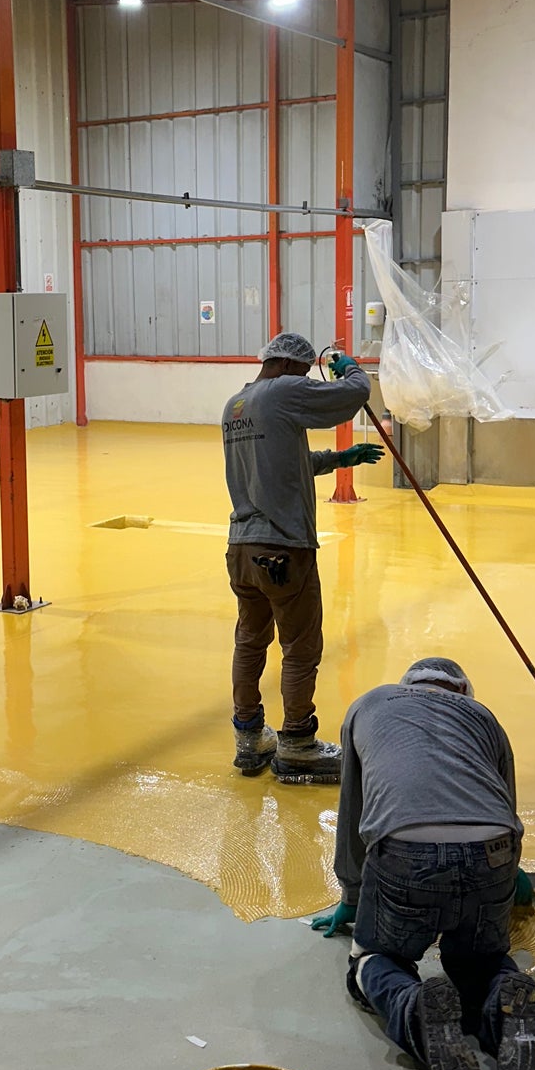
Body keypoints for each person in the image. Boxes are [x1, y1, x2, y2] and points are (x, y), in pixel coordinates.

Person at [314, 656, 535, 1070]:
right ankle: (503, 1003)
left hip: (405, 849)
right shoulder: (483, 718)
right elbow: (505, 805)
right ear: (462, 692)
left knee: (373, 960)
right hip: (493, 849)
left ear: (409, 685)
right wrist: (510, 874)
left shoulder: (369, 706)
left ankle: (414, 1010)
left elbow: (354, 813)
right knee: (480, 961)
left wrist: (352, 896)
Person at [221, 333, 379, 782]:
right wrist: (347, 367)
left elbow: (281, 462)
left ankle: (250, 739)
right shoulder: (285, 389)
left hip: (242, 549)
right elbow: (352, 396)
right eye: (307, 374)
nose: (307, 383)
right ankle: (297, 743)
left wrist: (337, 458)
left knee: (250, 641)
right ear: (291, 367)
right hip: (284, 548)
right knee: (301, 647)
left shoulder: (236, 405)